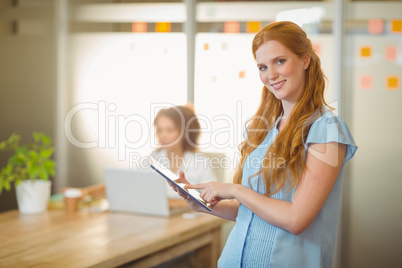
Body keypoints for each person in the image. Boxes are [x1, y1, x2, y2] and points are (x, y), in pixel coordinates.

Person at [169, 21, 357, 267]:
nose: (271, 75)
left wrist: (234, 189)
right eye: (262, 67)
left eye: (280, 61)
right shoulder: (261, 130)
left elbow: (296, 219)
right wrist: (201, 204)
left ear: (305, 60)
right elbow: (248, 212)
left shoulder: (326, 129)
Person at [151, 104, 217, 199]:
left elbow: (212, 199)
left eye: (169, 130)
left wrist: (173, 204)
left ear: (184, 133)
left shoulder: (200, 163)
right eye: (160, 130)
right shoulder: (151, 160)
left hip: (192, 214)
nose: (163, 135)